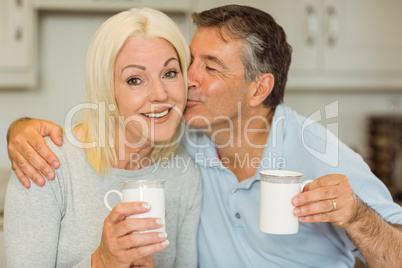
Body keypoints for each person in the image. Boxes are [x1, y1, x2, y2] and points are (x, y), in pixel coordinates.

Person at [7, 4, 402, 268]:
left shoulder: (320, 153)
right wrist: (20, 129)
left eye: (210, 68)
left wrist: (358, 217)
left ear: (259, 88)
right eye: (189, 62)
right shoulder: (183, 143)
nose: (187, 81)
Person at [4, 7, 202, 268]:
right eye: (134, 80)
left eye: (169, 73)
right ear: (106, 90)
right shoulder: (45, 163)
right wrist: (100, 262)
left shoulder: (185, 174)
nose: (161, 94)